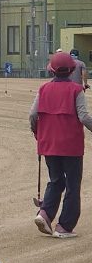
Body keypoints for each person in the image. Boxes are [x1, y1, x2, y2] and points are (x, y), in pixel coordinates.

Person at [30, 51, 92, 238]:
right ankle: (64, 226)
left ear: (52, 70)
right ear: (72, 69)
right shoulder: (76, 90)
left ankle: (45, 213)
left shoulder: (43, 89)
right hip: (71, 145)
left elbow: (33, 115)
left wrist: (36, 132)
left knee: (56, 180)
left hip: (48, 142)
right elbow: (84, 117)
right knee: (72, 184)